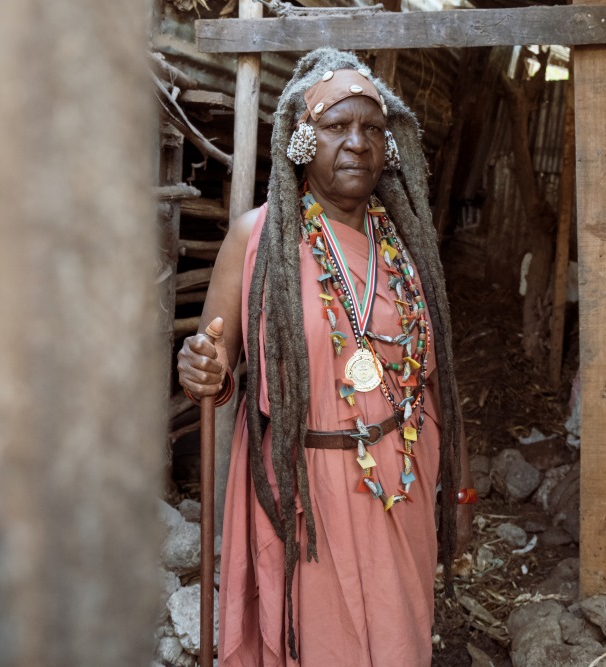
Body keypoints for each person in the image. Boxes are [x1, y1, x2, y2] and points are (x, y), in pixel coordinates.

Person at [177, 48, 471, 666]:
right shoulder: (254, 239)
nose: (357, 143)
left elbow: (434, 372)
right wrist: (203, 368)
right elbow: (215, 368)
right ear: (304, 140)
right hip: (306, 492)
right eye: (338, 126)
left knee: (399, 641)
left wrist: (459, 486)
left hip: (401, 481)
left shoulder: (406, 244)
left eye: (371, 128)